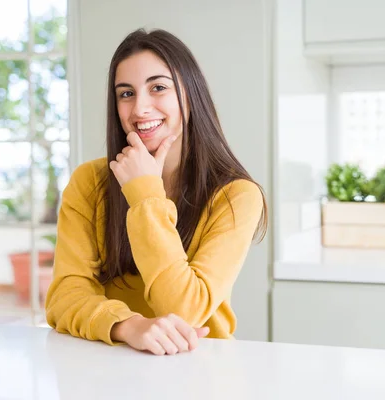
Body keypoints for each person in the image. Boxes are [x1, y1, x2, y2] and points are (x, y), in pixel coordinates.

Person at [45, 28, 268, 356]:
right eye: (126, 94)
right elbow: (65, 296)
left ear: (190, 95)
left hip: (200, 365)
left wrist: (145, 194)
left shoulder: (236, 195)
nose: (139, 109)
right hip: (107, 361)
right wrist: (129, 325)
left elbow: (185, 311)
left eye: (158, 88)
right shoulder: (89, 182)